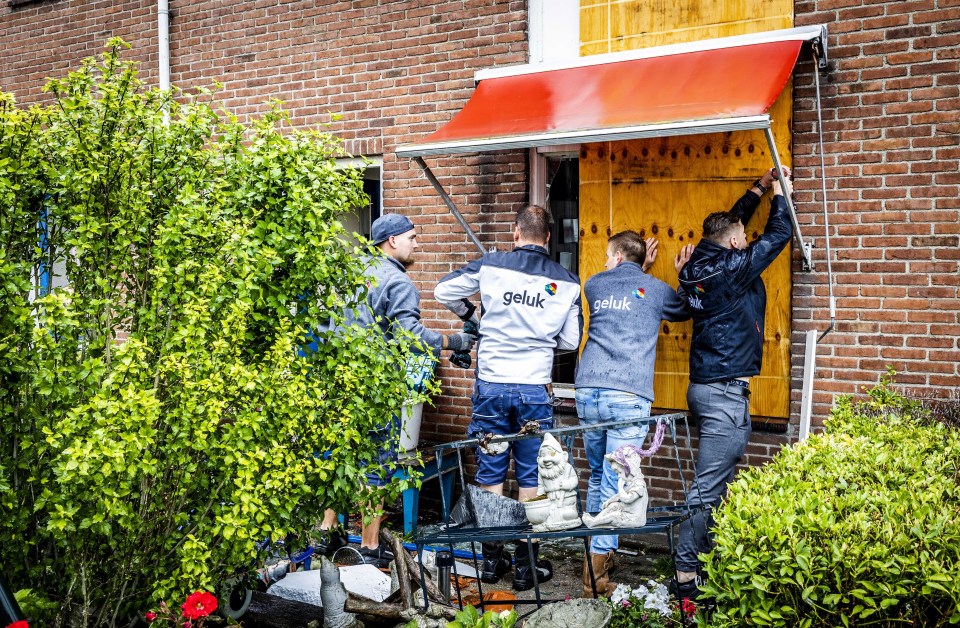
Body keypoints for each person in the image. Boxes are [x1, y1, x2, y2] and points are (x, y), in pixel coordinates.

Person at [314, 213, 479, 568]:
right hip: (375, 388)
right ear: (392, 241)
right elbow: (412, 337)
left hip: (339, 384)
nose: (416, 244)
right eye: (413, 238)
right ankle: (371, 546)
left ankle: (327, 534)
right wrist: (454, 340)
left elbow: (325, 326)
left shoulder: (347, 274)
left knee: (339, 456)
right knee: (375, 466)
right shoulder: (398, 282)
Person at [434, 205, 582, 591]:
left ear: (516, 233)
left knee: (491, 472)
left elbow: (443, 290)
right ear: (548, 238)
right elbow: (569, 340)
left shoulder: (492, 264)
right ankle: (524, 565)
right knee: (533, 474)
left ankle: (489, 560)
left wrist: (475, 316)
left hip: (493, 386)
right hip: (534, 388)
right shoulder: (568, 281)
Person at [671, 167, 793, 600]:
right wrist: (780, 191)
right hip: (722, 389)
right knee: (707, 489)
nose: (746, 239)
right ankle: (687, 575)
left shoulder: (700, 261)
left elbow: (729, 223)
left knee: (715, 483)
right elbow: (780, 234)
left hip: (714, 385)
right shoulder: (732, 268)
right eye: (743, 237)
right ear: (737, 244)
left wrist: (756, 190)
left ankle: (703, 560)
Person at [575, 231, 690, 597]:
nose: (605, 263)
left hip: (587, 391)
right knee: (616, 484)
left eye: (609, 257)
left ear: (617, 256)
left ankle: (595, 562)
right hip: (627, 394)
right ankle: (595, 579)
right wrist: (678, 273)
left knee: (597, 476)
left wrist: (637, 269)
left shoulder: (593, 285)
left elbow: (619, 285)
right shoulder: (655, 290)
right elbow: (683, 308)